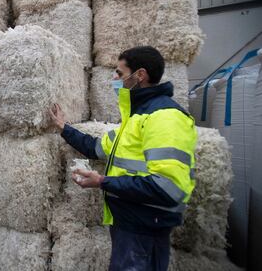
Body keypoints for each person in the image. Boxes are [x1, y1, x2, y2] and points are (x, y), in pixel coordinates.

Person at [49, 46, 197, 271]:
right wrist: (64, 128)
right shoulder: (136, 118)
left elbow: (169, 187)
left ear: (140, 75)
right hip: (131, 223)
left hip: (145, 228)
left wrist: (102, 181)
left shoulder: (165, 117)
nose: (114, 78)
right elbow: (96, 148)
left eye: (119, 73)